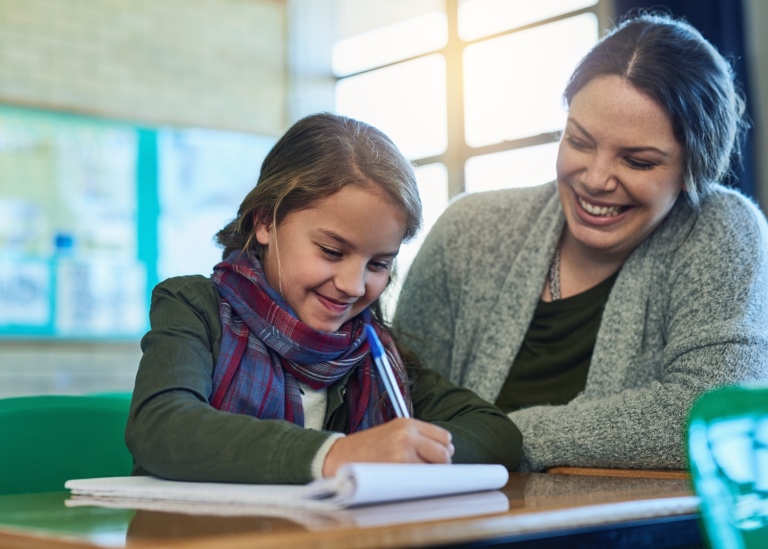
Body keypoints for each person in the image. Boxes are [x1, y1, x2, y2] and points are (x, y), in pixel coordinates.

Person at [393, 12, 768, 472]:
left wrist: (497, 437)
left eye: (638, 161)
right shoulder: (467, 232)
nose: (595, 179)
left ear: (696, 169)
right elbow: (393, 405)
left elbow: (719, 413)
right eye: (580, 141)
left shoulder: (720, 228)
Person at [125, 113, 522, 484]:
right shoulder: (194, 306)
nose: (353, 285)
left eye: (379, 264)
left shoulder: (370, 351)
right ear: (265, 221)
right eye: (332, 252)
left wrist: (409, 452)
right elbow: (162, 426)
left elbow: (495, 432)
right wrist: (339, 455)